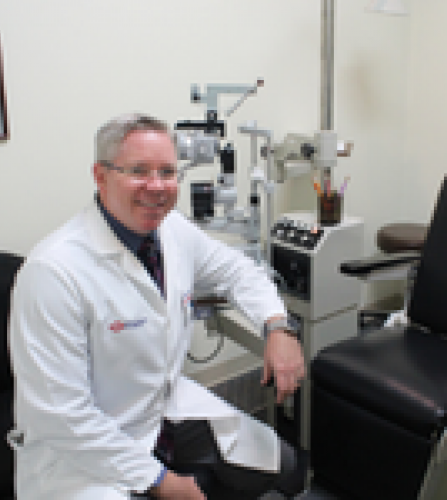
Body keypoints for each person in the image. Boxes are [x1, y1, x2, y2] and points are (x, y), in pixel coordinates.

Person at [8, 114, 306, 499]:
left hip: (158, 414)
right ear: (100, 176)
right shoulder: (53, 272)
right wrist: (161, 481)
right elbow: (62, 416)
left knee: (281, 461)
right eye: (139, 171)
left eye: (167, 172)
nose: (157, 187)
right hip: (79, 457)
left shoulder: (171, 230)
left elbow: (237, 271)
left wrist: (278, 327)